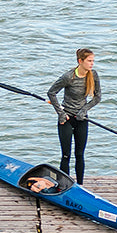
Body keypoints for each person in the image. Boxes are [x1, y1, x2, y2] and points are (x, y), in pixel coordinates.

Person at [47, 48, 101, 184]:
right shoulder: (68, 77)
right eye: (89, 61)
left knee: (79, 155)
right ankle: (63, 185)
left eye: (93, 61)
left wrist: (84, 110)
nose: (92, 64)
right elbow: (51, 93)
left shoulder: (93, 75)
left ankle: (80, 186)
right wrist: (61, 113)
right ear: (80, 61)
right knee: (66, 155)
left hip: (81, 119)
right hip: (66, 119)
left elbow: (97, 97)